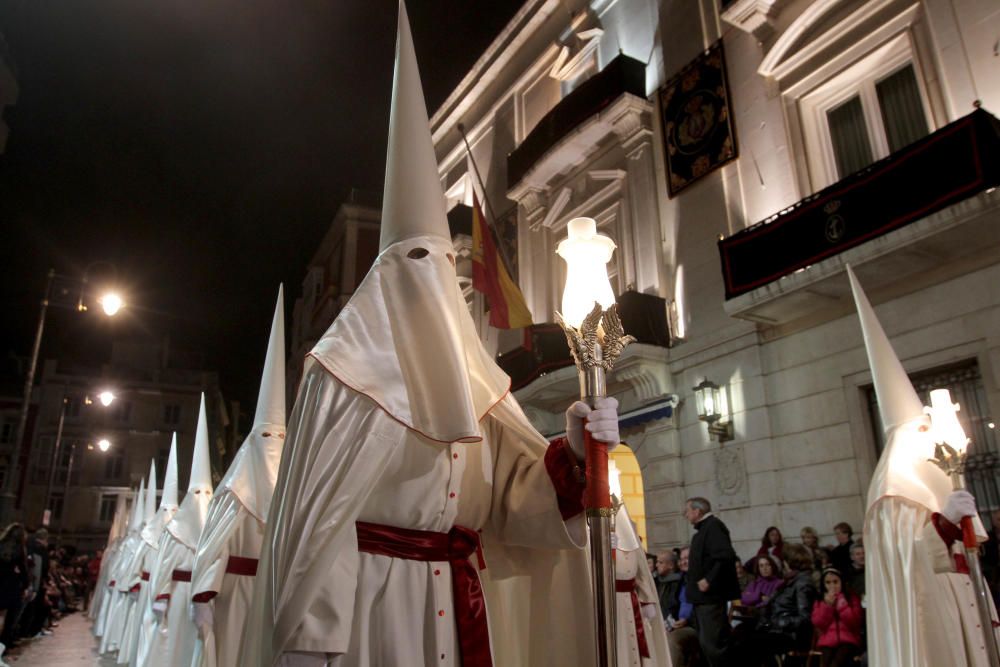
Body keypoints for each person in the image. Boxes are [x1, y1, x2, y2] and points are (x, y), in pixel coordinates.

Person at [238, 5, 618, 665]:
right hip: (371, 618)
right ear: (384, 277)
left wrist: (575, 457)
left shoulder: (477, 386)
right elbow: (315, 528)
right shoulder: (343, 370)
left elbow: (514, 504)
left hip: (459, 604)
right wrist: (311, 640)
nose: (434, 283)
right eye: (417, 264)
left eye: (443, 265)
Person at [847, 266, 1000, 666]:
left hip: (965, 604)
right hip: (933, 619)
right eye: (924, 429)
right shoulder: (891, 496)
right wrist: (945, 523)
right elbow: (909, 563)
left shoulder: (939, 485)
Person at [189, 287, 286, 667]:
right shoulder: (234, 491)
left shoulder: (292, 486)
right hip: (235, 595)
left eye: (280, 437)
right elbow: (213, 549)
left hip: (276, 595)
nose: (274, 445)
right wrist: (205, 596)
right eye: (267, 437)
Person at [143, 395, 213, 667]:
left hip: (200, 594)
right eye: (198, 492)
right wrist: (161, 593)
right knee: (174, 646)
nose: (202, 497)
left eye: (206, 492)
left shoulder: (213, 524)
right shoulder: (174, 531)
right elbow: (162, 566)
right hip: (177, 593)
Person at [737, 543, 816, 664]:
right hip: (777, 629)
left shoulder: (803, 583)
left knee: (750, 643)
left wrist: (777, 622)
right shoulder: (789, 580)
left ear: (790, 562)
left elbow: (805, 618)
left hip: (791, 634)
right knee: (740, 634)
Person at [613, 502, 670, 666]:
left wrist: (646, 598)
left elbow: (642, 573)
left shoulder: (630, 538)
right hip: (611, 603)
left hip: (632, 603)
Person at [684, 497, 739, 666]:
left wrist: (709, 579)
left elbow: (725, 557)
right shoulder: (703, 530)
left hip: (711, 597)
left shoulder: (713, 526)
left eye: (687, 511)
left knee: (713, 644)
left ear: (697, 511)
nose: (685, 515)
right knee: (706, 643)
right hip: (702, 598)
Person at [811, 567, 863, 666]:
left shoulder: (851, 598)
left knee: (837, 663)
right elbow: (818, 623)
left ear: (841, 582)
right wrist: (827, 606)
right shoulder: (819, 601)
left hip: (849, 640)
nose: (832, 586)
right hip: (827, 641)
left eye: (835, 582)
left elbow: (854, 621)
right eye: (828, 583)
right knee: (825, 662)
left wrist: (841, 604)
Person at [666, 547, 700, 667]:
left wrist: (686, 620)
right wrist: (670, 621)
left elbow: (702, 610)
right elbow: (673, 605)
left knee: (672, 640)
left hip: (696, 627)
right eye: (681, 559)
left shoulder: (701, 580)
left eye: (687, 558)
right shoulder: (681, 580)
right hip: (678, 624)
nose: (683, 562)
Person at [654, 551, 682, 622]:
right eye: (657, 562)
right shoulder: (657, 581)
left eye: (660, 562)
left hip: (672, 621)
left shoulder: (678, 583)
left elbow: (672, 606)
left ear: (671, 565)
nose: (656, 565)